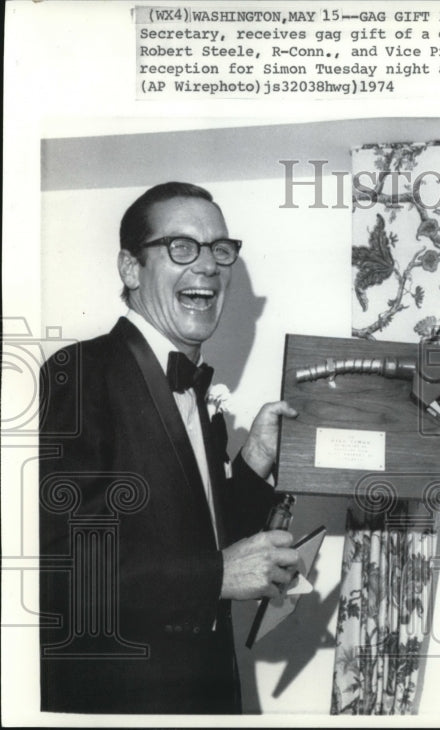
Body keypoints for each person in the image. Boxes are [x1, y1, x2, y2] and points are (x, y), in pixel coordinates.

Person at [38, 182, 300, 714]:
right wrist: (216, 577)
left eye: (219, 250)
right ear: (131, 269)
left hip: (206, 694)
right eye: (181, 247)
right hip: (121, 701)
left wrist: (255, 462)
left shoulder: (200, 397)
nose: (207, 266)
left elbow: (205, 539)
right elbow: (62, 568)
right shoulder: (80, 373)